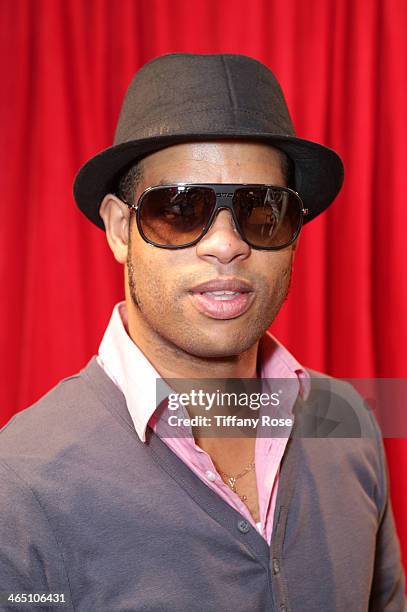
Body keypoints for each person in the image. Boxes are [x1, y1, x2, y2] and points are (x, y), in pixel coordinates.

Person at [0, 53, 405, 612]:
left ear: (294, 232)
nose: (225, 244)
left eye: (263, 210)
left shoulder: (348, 422)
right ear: (121, 230)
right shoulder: (21, 483)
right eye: (180, 209)